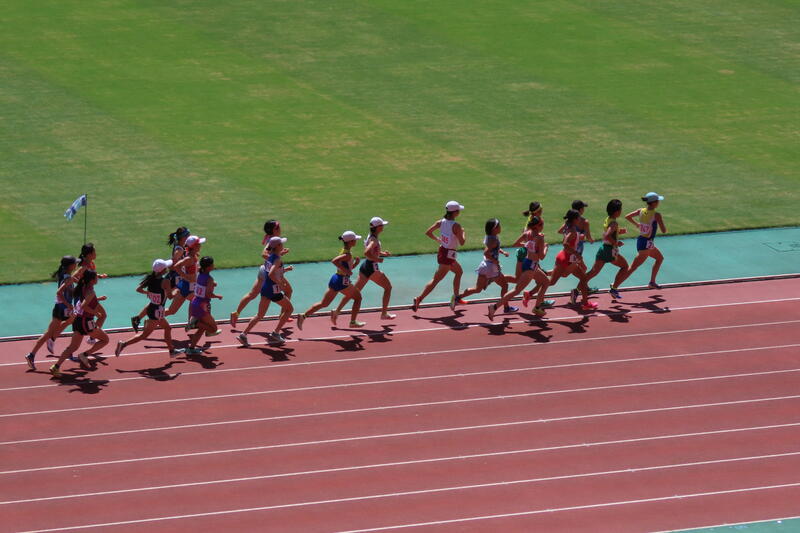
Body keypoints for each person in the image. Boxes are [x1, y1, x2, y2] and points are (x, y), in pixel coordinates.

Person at [331, 217, 396, 324]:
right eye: (382, 225)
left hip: (365, 267)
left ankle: (336, 311)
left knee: (353, 292)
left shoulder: (371, 236)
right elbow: (366, 252)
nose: (383, 227)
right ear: (377, 227)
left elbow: (373, 251)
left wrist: (382, 253)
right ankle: (384, 314)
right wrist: (378, 259)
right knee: (388, 287)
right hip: (372, 268)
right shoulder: (374, 240)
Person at [297, 231, 366, 330]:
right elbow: (334, 261)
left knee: (324, 303)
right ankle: (352, 322)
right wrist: (346, 270)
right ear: (350, 241)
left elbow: (347, 268)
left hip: (336, 278)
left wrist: (355, 264)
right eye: (355, 239)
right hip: (342, 281)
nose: (356, 241)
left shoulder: (345, 251)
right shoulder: (347, 254)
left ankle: (303, 316)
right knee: (358, 298)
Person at [231, 220, 293, 328]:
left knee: (253, 294)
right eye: (278, 227)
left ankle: (236, 313)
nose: (280, 229)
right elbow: (264, 254)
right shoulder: (272, 240)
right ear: (274, 230)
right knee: (288, 290)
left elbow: (271, 254)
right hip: (269, 272)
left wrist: (279, 254)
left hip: (264, 270)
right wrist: (276, 259)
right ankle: (284, 315)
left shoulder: (272, 239)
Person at [116, 259, 184, 357]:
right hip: (157, 312)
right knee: (144, 335)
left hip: (152, 308)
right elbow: (170, 296)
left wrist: (148, 292)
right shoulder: (165, 281)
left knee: (168, 328)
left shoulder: (150, 278)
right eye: (166, 267)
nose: (167, 268)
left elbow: (138, 289)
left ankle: (172, 351)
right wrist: (176, 291)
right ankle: (123, 344)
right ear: (163, 270)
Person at [489, 216, 551, 320]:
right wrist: (545, 248)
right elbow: (542, 256)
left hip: (528, 263)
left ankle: (537, 307)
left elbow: (515, 244)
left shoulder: (527, 233)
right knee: (516, 290)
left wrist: (527, 245)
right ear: (537, 226)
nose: (543, 226)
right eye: (542, 224)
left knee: (545, 282)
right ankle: (494, 307)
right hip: (531, 266)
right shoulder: (540, 238)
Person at [237, 236, 295, 346]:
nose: (283, 245)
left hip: (265, 288)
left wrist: (285, 268)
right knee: (289, 309)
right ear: (278, 246)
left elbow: (274, 270)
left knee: (260, 315)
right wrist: (280, 283)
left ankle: (243, 334)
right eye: (281, 243)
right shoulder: (277, 260)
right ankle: (276, 333)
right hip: (273, 290)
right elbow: (272, 274)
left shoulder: (269, 257)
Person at [49, 271, 109, 377]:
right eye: (96, 277)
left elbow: (85, 301)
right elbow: (84, 306)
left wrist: (98, 299)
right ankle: (85, 354)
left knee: (73, 347)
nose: (98, 279)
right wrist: (96, 313)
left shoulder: (83, 286)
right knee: (105, 340)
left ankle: (56, 366)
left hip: (77, 319)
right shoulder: (91, 291)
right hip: (86, 322)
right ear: (92, 280)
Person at [131, 227, 190, 332]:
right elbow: (174, 263)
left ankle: (139, 318)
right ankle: (194, 323)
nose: (189, 236)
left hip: (176, 277)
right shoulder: (179, 249)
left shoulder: (181, 246)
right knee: (165, 304)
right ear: (184, 237)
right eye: (188, 235)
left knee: (158, 302)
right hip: (175, 279)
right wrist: (181, 271)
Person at [24, 256, 78, 370]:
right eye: (75, 263)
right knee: (49, 332)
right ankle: (32, 354)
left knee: (72, 320)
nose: (76, 265)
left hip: (62, 308)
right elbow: (59, 293)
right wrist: (68, 304)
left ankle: (55, 340)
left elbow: (69, 288)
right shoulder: (67, 278)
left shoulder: (66, 275)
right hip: (61, 308)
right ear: (70, 266)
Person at [412, 201, 467, 312]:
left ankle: (456, 297)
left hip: (444, 252)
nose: (459, 212)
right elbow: (462, 242)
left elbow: (428, 232)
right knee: (436, 280)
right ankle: (419, 299)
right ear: (455, 212)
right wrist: (463, 232)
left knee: (459, 272)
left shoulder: (441, 222)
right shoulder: (456, 226)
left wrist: (438, 239)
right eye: (458, 210)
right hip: (448, 256)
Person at [454, 218, 517, 313]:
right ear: (494, 229)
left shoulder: (489, 237)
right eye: (499, 226)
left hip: (484, 266)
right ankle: (506, 308)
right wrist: (495, 261)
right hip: (491, 267)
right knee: (505, 285)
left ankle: (458, 298)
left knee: (477, 289)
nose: (500, 227)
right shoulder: (494, 240)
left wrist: (502, 252)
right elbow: (487, 252)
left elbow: (493, 248)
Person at [549, 210, 598, 311]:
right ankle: (533, 292)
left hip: (565, 257)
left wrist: (577, 237)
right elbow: (565, 243)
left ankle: (585, 303)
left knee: (582, 278)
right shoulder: (572, 230)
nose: (580, 219)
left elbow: (568, 238)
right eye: (578, 218)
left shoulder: (567, 226)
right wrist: (576, 253)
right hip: (567, 259)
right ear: (575, 219)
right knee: (552, 282)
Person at [584, 199, 629, 299]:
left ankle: (576, 290)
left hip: (603, 249)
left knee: (593, 272)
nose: (621, 211)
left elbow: (609, 232)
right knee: (625, 267)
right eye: (620, 209)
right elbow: (607, 235)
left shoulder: (608, 219)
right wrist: (616, 243)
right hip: (610, 251)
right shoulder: (614, 223)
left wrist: (619, 231)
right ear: (617, 212)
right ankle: (614, 288)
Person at [624, 192, 667, 289]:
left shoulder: (641, 210)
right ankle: (614, 286)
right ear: (654, 203)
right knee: (632, 268)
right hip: (646, 244)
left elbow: (627, 216)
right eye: (658, 201)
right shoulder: (656, 215)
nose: (659, 203)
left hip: (644, 241)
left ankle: (652, 282)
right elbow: (664, 230)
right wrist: (660, 223)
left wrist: (637, 224)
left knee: (659, 258)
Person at [186, 256, 223, 355]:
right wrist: (217, 296)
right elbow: (208, 294)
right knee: (213, 329)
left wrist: (212, 284)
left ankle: (191, 348)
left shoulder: (199, 274)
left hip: (195, 302)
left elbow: (202, 286)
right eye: (212, 264)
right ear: (209, 267)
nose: (214, 265)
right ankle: (195, 323)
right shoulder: (209, 279)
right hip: (202, 305)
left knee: (203, 328)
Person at [73, 243, 108, 344]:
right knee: (100, 315)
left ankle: (92, 338)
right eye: (94, 252)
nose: (96, 253)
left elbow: (90, 275)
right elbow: (74, 277)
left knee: (102, 315)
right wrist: (82, 285)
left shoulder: (91, 264)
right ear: (89, 254)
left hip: (90, 294)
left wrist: (99, 276)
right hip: (85, 295)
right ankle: (92, 337)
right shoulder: (84, 266)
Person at [165, 235, 205, 321]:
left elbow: (193, 268)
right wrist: (186, 276)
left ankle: (191, 323)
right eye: (199, 244)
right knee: (172, 310)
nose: (200, 246)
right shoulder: (189, 258)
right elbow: (176, 266)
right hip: (186, 287)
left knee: (173, 310)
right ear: (194, 246)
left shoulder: (193, 255)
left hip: (190, 286)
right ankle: (153, 318)